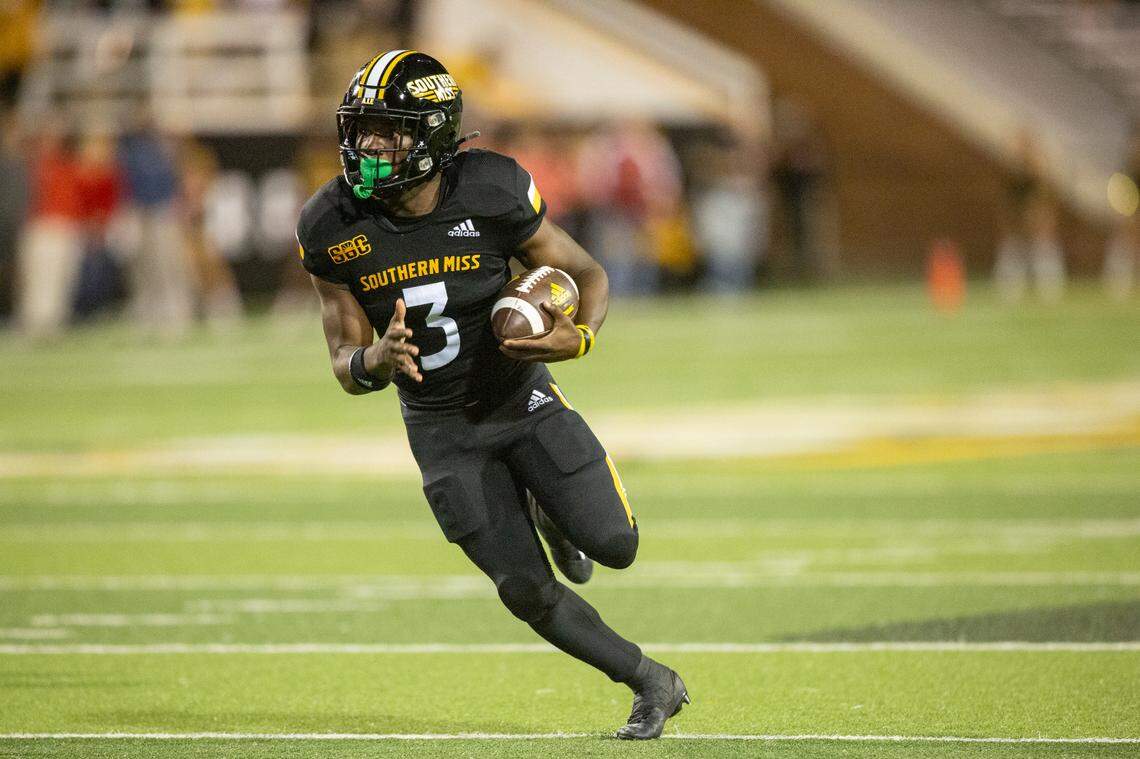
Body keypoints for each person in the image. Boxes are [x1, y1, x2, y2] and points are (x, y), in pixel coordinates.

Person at [297, 50, 689, 740]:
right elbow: (342, 359)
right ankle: (649, 680)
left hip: (520, 397)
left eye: (389, 129)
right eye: (362, 129)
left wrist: (582, 337)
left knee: (616, 543)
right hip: (441, 426)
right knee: (525, 589)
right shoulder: (330, 223)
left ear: (435, 135)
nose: (369, 146)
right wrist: (376, 358)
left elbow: (585, 271)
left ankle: (550, 506)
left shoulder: (493, 189)